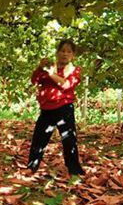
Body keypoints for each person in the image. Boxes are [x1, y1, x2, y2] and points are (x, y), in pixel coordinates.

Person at [26, 39, 85, 177]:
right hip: (47, 109)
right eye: (62, 51)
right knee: (39, 139)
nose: (65, 54)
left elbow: (66, 85)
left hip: (64, 109)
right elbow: (34, 80)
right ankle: (32, 167)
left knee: (69, 140)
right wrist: (40, 68)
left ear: (73, 55)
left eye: (69, 51)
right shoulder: (49, 67)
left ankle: (74, 170)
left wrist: (51, 74)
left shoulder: (74, 70)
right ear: (57, 52)